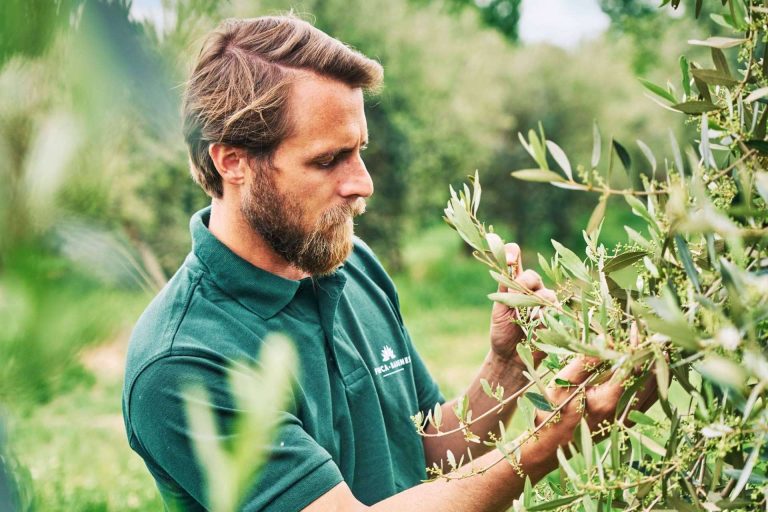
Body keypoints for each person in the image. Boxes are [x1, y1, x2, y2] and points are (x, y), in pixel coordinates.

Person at [122, 15, 656, 512]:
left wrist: (507, 364)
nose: (362, 184)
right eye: (328, 160)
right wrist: (549, 441)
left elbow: (426, 451)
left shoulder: (350, 264)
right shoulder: (182, 363)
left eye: (359, 152)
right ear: (233, 161)